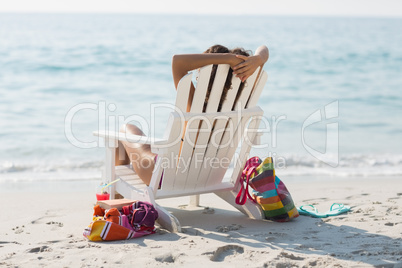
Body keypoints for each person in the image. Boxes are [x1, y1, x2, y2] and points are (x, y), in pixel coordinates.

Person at [116, 45, 269, 185]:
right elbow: (264, 49)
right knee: (156, 147)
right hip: (209, 178)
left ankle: (113, 198)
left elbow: (177, 62)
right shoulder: (242, 104)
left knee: (125, 130)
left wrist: (226, 59)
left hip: (164, 176)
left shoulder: (196, 104)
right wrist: (258, 59)